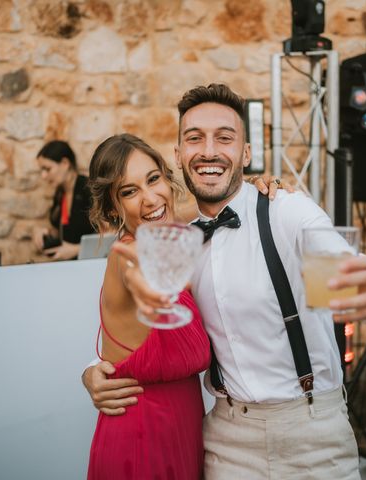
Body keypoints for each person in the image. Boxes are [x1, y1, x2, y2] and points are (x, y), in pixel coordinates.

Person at [84, 84, 366, 479]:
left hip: (310, 435)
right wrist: (95, 368)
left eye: (225, 138)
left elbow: (341, 265)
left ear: (246, 154)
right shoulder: (175, 240)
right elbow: (132, 320)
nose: (210, 150)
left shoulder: (285, 213)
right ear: (180, 155)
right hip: (225, 440)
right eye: (195, 138)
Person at [85, 133, 286, 479]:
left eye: (153, 179)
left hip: (186, 434)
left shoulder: (179, 242)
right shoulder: (126, 257)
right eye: (129, 192)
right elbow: (136, 275)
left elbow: (212, 212)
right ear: (112, 209)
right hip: (140, 441)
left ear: (167, 178)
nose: (150, 198)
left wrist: (251, 189)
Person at [33, 140, 95, 260]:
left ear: (65, 163)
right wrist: (43, 231)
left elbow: (111, 235)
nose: (43, 176)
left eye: (47, 169)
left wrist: (76, 249)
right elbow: (64, 231)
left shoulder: (89, 190)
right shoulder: (60, 193)